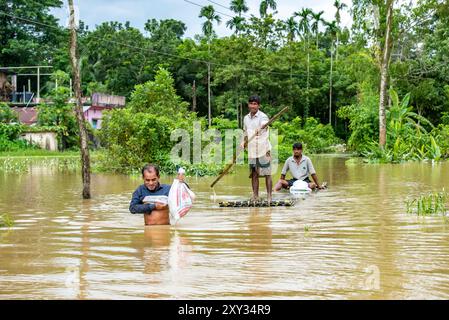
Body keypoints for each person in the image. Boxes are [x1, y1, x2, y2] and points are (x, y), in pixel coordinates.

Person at [239, 95, 272, 202]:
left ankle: (269, 196)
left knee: (267, 173)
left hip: (264, 148)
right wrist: (243, 141)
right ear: (248, 105)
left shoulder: (263, 116)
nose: (253, 106)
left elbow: (265, 124)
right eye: (251, 103)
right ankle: (255, 196)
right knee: (254, 173)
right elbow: (245, 132)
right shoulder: (246, 118)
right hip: (252, 150)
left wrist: (261, 128)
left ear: (258, 105)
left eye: (255, 104)